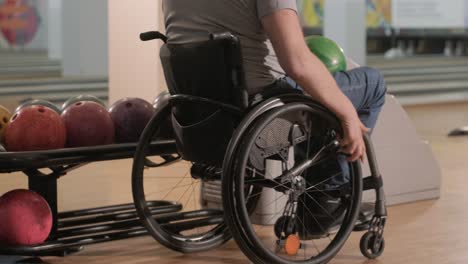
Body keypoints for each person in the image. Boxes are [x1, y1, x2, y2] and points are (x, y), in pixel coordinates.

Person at [162, 0, 387, 165]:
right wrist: (346, 112)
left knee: (319, 91)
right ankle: (328, 198)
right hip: (259, 107)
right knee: (371, 83)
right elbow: (297, 62)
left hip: (200, 111)